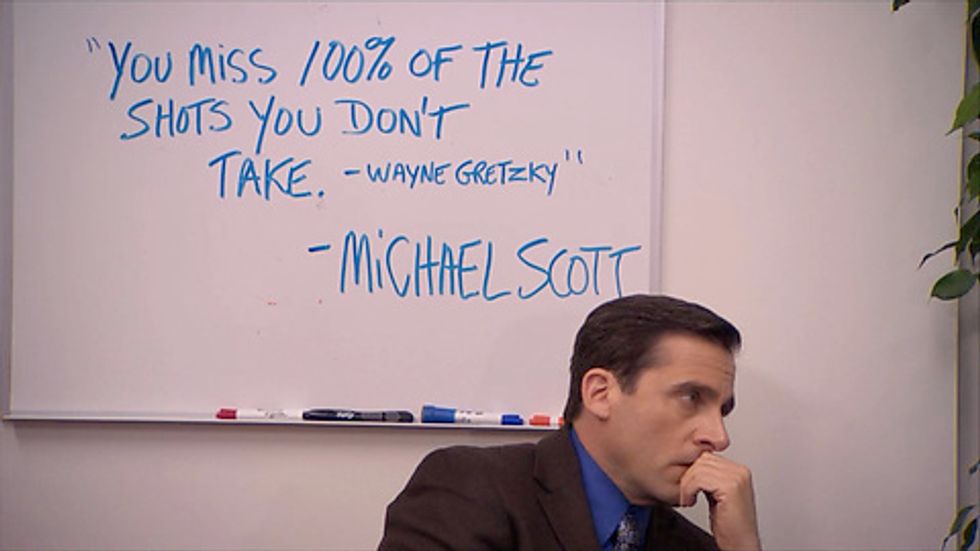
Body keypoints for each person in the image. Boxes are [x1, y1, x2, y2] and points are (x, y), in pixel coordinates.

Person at [378, 294, 761, 551]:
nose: (719, 437)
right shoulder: (471, 488)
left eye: (722, 411)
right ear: (600, 393)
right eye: (690, 398)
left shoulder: (695, 545)